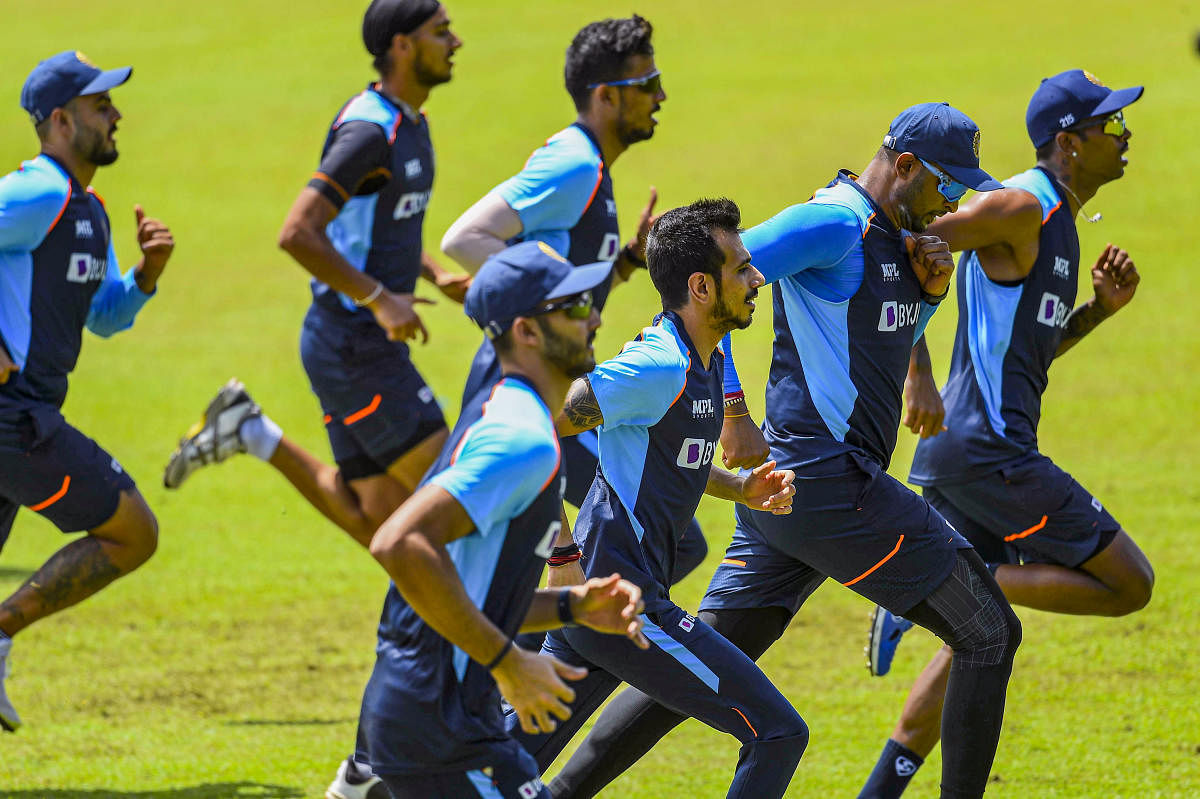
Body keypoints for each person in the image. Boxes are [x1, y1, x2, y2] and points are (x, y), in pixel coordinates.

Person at [542, 103, 1023, 799]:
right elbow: (706, 292)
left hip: (787, 494)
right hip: (830, 481)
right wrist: (734, 412)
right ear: (907, 167)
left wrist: (934, 293)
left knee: (683, 671)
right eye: (949, 187)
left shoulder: (901, 239)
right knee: (987, 630)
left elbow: (877, 328)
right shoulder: (833, 222)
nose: (954, 205)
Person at [859, 70, 1153, 799]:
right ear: (1069, 142)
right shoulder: (1021, 205)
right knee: (1129, 583)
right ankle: (956, 585)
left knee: (976, 638)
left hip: (971, 455)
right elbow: (899, 237)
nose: (1124, 138)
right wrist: (913, 371)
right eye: (1110, 126)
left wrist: (1096, 314)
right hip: (991, 455)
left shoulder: (1053, 218)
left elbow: (1026, 350)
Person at [440, 14, 767, 590]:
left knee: (674, 545)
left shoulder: (593, 172)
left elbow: (563, 287)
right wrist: (522, 306)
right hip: (529, 387)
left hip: (554, 381)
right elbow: (465, 240)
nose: (660, 96)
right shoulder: (573, 164)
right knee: (504, 585)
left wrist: (621, 267)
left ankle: (557, 651)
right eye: (648, 84)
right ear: (606, 96)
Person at [509, 198, 808, 799]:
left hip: (604, 602)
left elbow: (672, 458)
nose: (757, 280)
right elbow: (524, 429)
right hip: (622, 602)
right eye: (743, 269)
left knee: (500, 764)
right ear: (701, 286)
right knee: (776, 732)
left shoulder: (705, 357)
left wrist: (739, 488)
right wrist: (560, 551)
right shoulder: (656, 364)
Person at [163, 0, 469, 551]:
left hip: (350, 343)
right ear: (402, 46)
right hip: (354, 346)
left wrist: (432, 274)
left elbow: (374, 222)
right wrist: (380, 298)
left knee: (377, 517)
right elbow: (298, 232)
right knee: (459, 499)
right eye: (441, 32)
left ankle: (254, 433)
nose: (456, 42)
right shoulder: (369, 134)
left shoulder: (409, 122)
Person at [355, 240, 648, 799]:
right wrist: (509, 662)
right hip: (439, 723)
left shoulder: (514, 411)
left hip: (436, 715)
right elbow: (398, 542)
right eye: (576, 307)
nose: (597, 316)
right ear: (527, 332)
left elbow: (476, 591)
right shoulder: (521, 439)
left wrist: (572, 605)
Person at [0, 51, 175, 731]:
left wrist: (145, 276)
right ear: (60, 120)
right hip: (16, 418)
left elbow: (102, 316)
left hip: (28, 416)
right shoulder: (38, 193)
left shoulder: (88, 209)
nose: (116, 114)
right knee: (133, 531)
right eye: (102, 106)